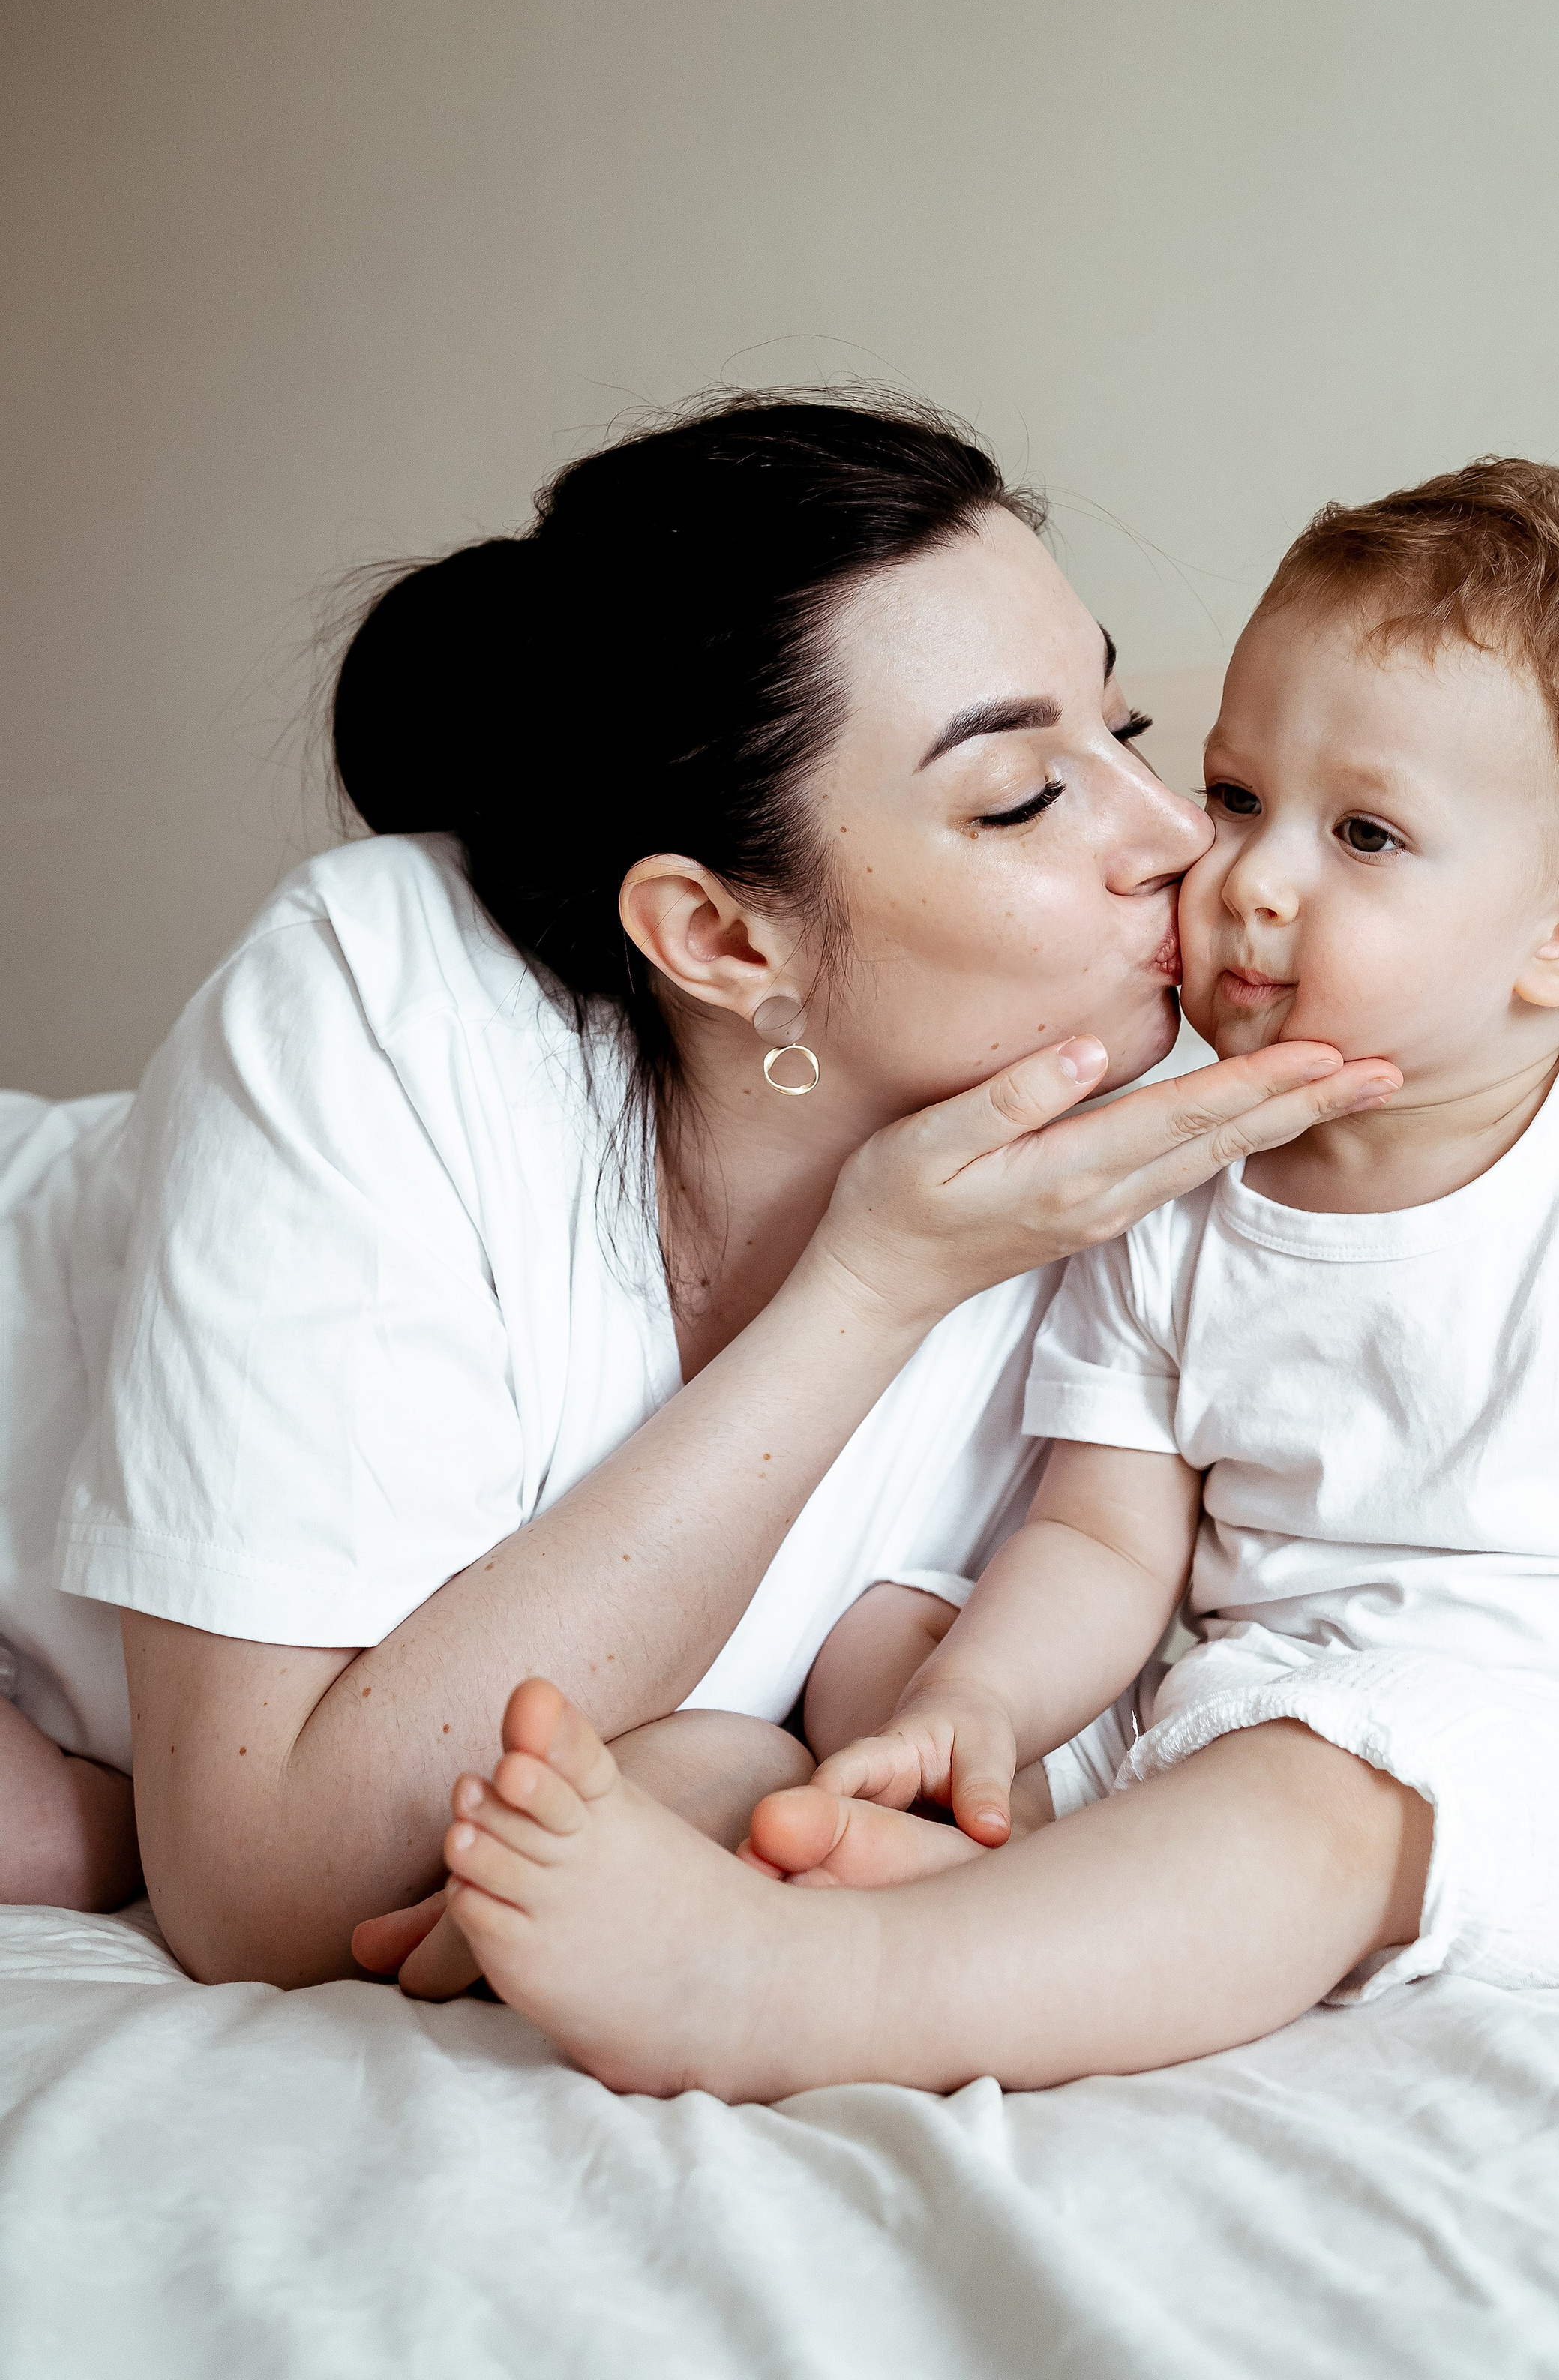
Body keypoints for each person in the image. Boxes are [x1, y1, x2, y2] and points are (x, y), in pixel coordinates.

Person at [422, 458, 1559, 2097]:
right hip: (1232, 1735)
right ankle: (819, 1854)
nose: (1245, 878)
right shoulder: (1171, 1192)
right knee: (839, 1685)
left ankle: (813, 1990)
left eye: (1363, 834)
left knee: (1307, 1790)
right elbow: (1100, 1536)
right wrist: (973, 1708)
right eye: (1233, 794)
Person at [4, 392, 1393, 1979]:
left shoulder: (1133, 1116)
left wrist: (741, 1774)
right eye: (1022, 796)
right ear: (724, 939)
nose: (1174, 836)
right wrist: (872, 1287)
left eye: (1125, 731)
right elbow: (262, 1894)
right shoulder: (380, 994)